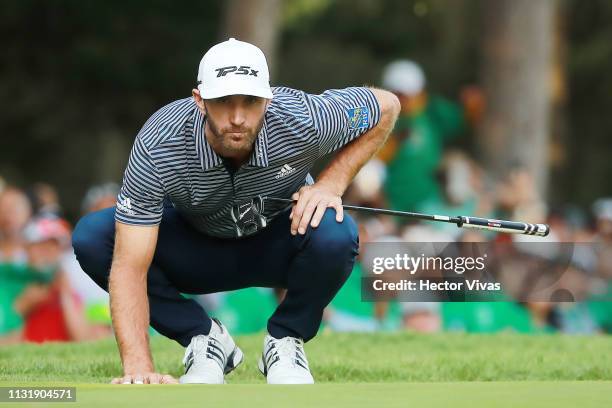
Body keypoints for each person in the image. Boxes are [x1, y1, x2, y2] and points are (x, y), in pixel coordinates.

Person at [72, 38, 400, 385]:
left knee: (336, 230)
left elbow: (387, 105)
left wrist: (330, 184)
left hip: (277, 242)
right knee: (94, 238)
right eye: (223, 102)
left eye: (251, 102)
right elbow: (129, 265)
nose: (238, 118)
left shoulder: (303, 118)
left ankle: (285, 340)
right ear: (199, 101)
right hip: (195, 249)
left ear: (268, 99)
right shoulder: (160, 142)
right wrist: (138, 367)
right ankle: (205, 338)